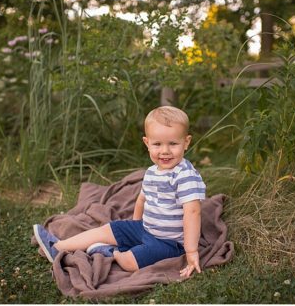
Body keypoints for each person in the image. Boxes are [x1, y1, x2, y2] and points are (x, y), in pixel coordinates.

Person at [33, 106, 206, 277]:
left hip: (169, 243)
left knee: (130, 262)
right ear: (147, 143)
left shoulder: (185, 175)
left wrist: (191, 251)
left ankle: (111, 252)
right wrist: (134, 228)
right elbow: (141, 200)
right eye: (157, 144)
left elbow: (192, 211)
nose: (165, 151)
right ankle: (58, 247)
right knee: (110, 228)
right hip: (146, 229)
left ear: (186, 142)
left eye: (173, 144)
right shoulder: (152, 172)